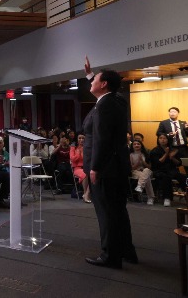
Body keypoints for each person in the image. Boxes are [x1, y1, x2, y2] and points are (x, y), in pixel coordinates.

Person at [82, 56, 136, 269]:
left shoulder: (104, 106)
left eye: (94, 79)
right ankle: (126, 251)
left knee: (107, 214)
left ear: (103, 84)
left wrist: (95, 167)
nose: (91, 81)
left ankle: (110, 256)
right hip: (116, 167)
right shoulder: (117, 100)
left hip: (105, 169)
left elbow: (102, 140)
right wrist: (89, 74)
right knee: (118, 212)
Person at [150, 133, 186, 206]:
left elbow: (179, 163)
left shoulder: (173, 149)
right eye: (161, 138)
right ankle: (167, 198)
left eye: (164, 138)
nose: (162, 140)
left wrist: (172, 157)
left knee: (183, 176)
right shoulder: (155, 150)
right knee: (166, 177)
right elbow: (158, 162)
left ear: (168, 140)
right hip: (159, 171)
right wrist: (166, 153)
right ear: (158, 139)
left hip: (172, 170)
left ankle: (186, 193)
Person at [130, 140, 154, 205]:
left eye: (138, 144)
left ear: (141, 145)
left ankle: (140, 186)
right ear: (132, 146)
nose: (136, 145)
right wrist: (138, 161)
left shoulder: (145, 154)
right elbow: (131, 168)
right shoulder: (131, 155)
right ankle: (150, 198)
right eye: (134, 144)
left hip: (145, 171)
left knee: (146, 170)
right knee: (147, 178)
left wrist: (142, 161)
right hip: (135, 172)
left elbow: (149, 167)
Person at [71, 133, 90, 203]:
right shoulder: (73, 147)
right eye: (79, 138)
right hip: (77, 168)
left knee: (93, 174)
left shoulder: (87, 147)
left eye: (83, 138)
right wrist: (78, 153)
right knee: (85, 174)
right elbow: (72, 159)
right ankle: (86, 194)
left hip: (87, 167)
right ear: (77, 139)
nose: (81, 140)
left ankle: (87, 193)